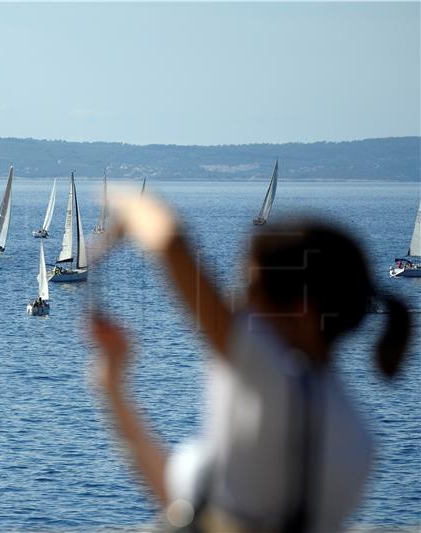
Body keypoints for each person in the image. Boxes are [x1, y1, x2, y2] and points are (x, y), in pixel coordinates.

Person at [91, 193, 411, 533]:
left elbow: (171, 243)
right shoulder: (355, 436)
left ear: (300, 309)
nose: (235, 300)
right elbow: (187, 509)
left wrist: (126, 202)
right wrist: (112, 385)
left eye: (250, 287)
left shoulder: (265, 374)